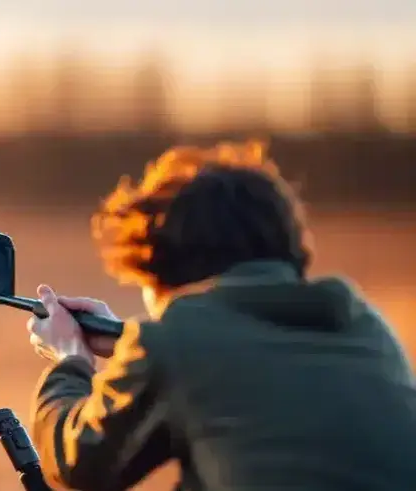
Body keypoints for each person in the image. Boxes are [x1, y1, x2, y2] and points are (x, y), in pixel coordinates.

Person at [25, 140, 416, 491]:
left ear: (165, 268)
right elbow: (258, 366)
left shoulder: (175, 342)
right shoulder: (367, 327)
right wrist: (134, 347)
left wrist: (70, 361)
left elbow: (78, 463)